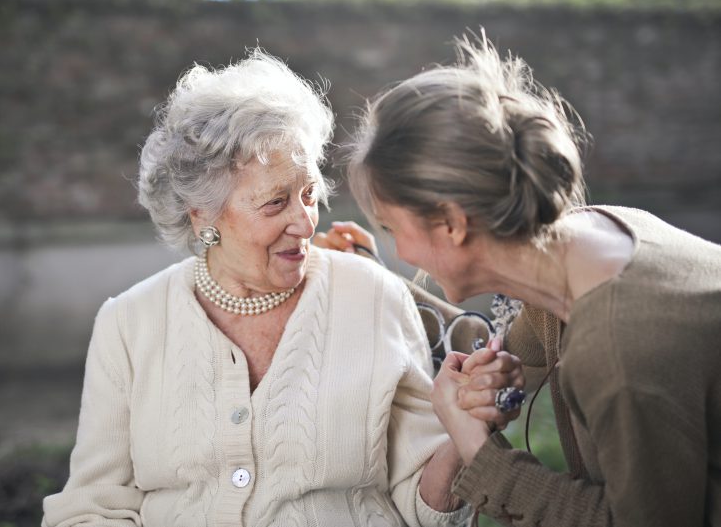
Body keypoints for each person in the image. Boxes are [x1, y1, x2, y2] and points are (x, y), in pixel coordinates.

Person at [41, 50, 523, 527]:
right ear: (202, 215)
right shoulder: (129, 323)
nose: (305, 222)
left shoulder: (374, 296)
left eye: (309, 194)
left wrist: (464, 431)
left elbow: (421, 506)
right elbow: (93, 506)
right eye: (275, 203)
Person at [343, 32, 721, 527]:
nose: (401, 252)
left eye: (393, 229)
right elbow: (509, 354)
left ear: (452, 224)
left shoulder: (617, 350)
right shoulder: (591, 238)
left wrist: (480, 452)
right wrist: (488, 380)